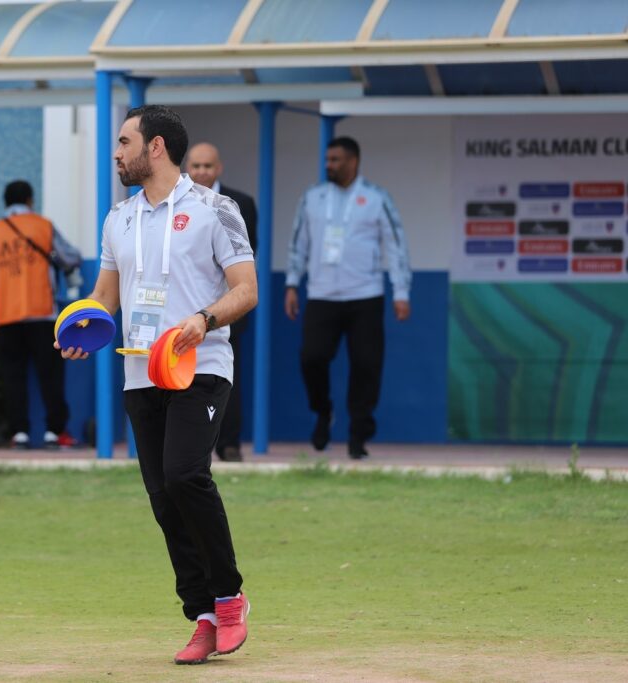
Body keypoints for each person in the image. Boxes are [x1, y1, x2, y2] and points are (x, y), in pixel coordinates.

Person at [58, 105, 257, 665]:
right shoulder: (117, 219)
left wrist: (204, 320)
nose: (116, 152)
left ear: (156, 147)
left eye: (125, 142)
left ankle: (230, 597)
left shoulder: (217, 209)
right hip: (139, 371)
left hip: (200, 365)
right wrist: (81, 327)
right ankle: (203, 615)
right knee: (164, 497)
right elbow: (105, 298)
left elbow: (246, 289)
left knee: (185, 475)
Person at [284, 136, 412, 459]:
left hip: (365, 295)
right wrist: (291, 283)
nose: (329, 165)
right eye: (327, 160)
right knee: (311, 358)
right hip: (321, 295)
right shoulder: (312, 197)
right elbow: (298, 242)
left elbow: (396, 245)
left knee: (367, 365)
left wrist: (401, 291)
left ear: (353, 161)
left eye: (335, 160)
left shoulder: (376, 198)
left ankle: (358, 435)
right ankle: (323, 411)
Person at [0, 180, 82, 450]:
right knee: (50, 375)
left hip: (5, 315)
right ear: (30, 200)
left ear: (5, 202)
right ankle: (54, 432)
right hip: (41, 312)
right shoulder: (42, 226)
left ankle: (19, 433)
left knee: (13, 377)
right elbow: (70, 257)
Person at [185, 142, 258, 463]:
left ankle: (229, 443)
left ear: (219, 168)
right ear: (187, 167)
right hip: (185, 307)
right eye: (196, 166)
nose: (201, 172)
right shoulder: (176, 203)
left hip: (228, 307)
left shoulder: (240, 204)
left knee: (227, 376)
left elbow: (244, 258)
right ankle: (191, 446)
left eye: (208, 166)